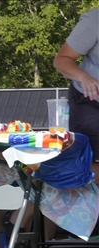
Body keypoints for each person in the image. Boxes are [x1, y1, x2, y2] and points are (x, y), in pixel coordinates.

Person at [55, 7, 99, 169]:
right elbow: (62, 59)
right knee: (88, 159)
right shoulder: (94, 20)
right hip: (90, 100)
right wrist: (84, 77)